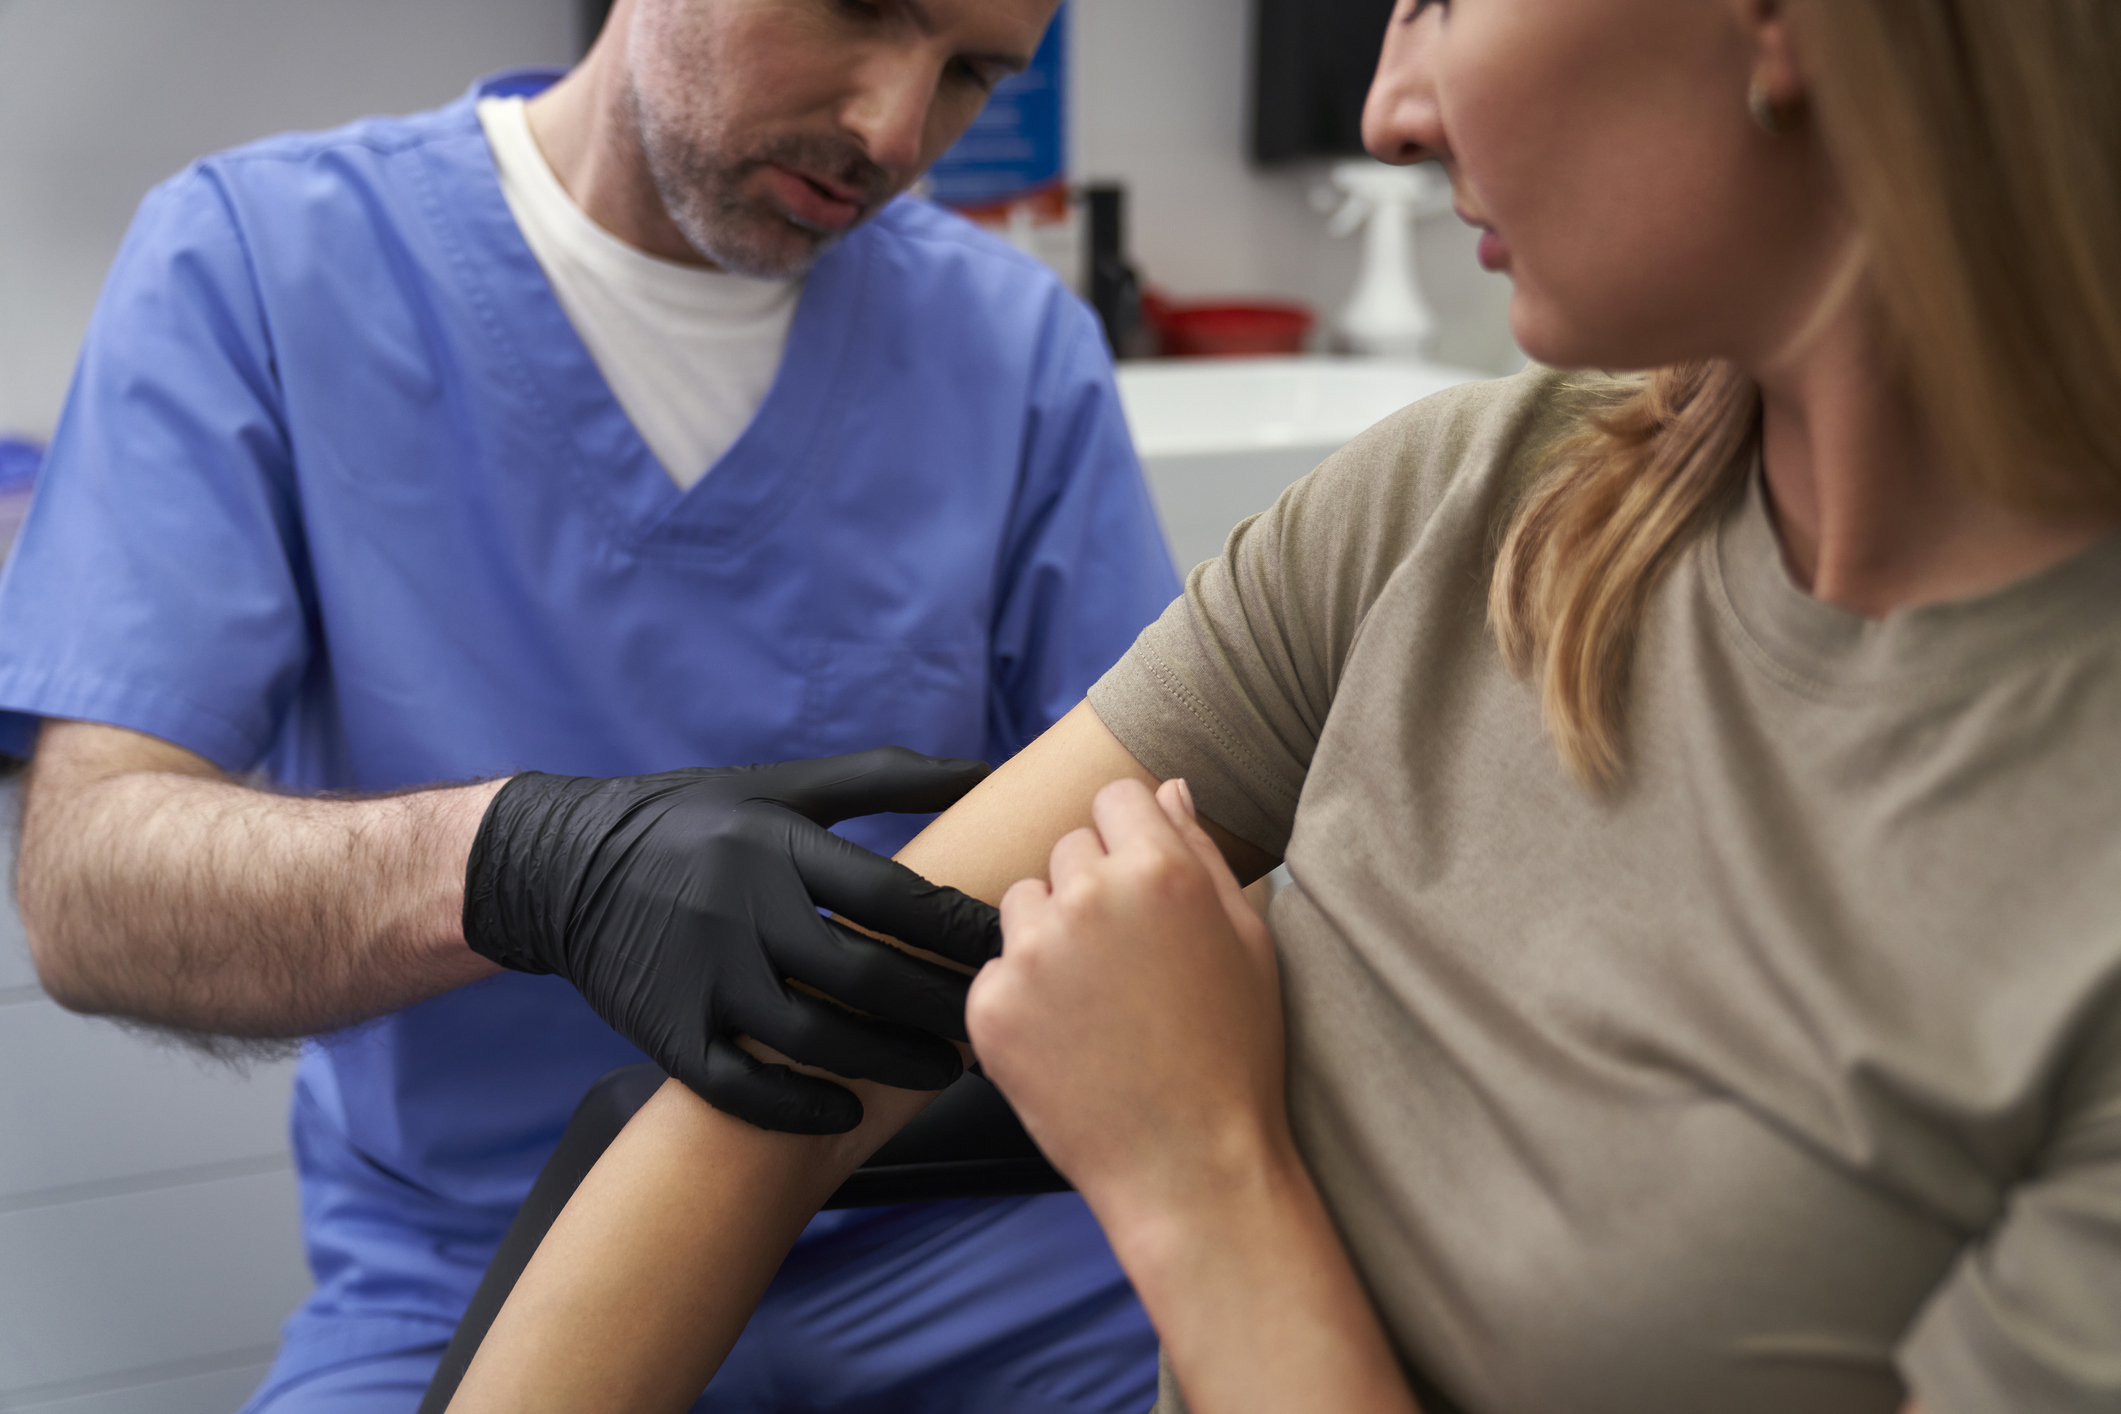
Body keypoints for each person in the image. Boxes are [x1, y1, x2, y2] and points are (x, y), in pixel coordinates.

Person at [431, 0, 2121, 1410]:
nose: (1387, 109)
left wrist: (1196, 1170)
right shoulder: (1461, 508)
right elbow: (788, 1071)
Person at [0, 0, 1180, 1409]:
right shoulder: (260, 265)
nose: (894, 129)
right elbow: (87, 884)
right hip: (480, 1257)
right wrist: (518, 864)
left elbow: (1152, 857)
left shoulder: (1013, 349)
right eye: (860, 8)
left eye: (973, 73)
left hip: (953, 1245)